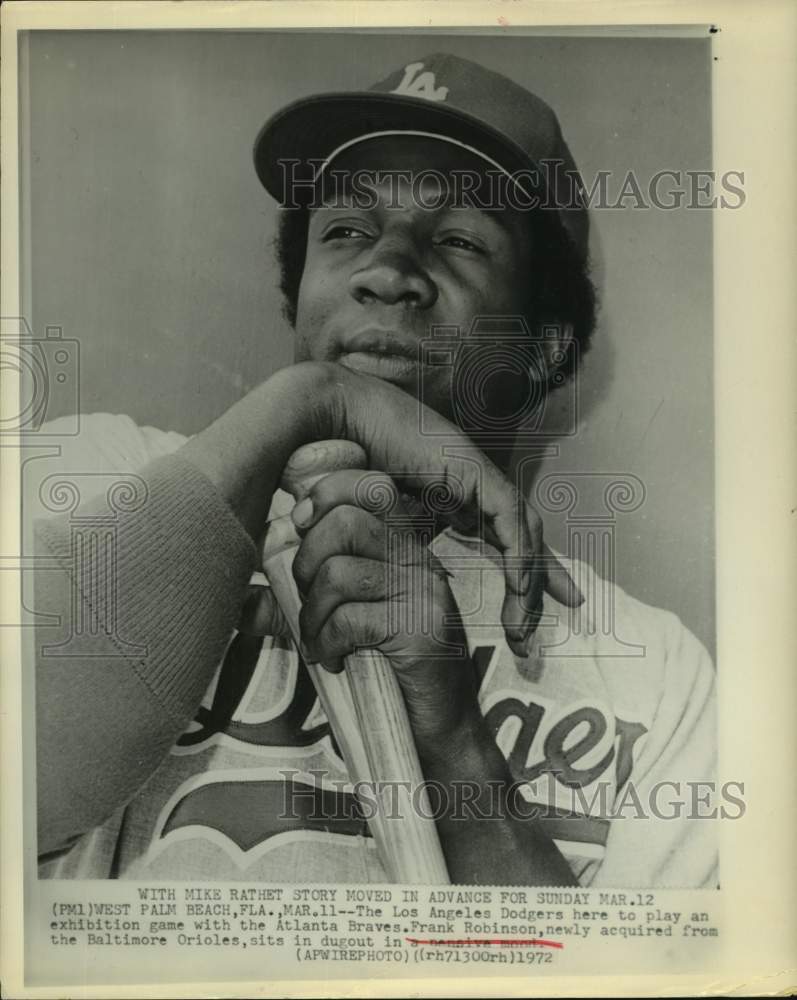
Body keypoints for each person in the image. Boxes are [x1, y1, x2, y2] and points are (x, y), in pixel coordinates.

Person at [32, 53, 716, 887]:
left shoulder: (653, 668)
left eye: (460, 240)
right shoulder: (103, 474)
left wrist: (454, 740)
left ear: (545, 346)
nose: (387, 271)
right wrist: (316, 400)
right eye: (347, 231)